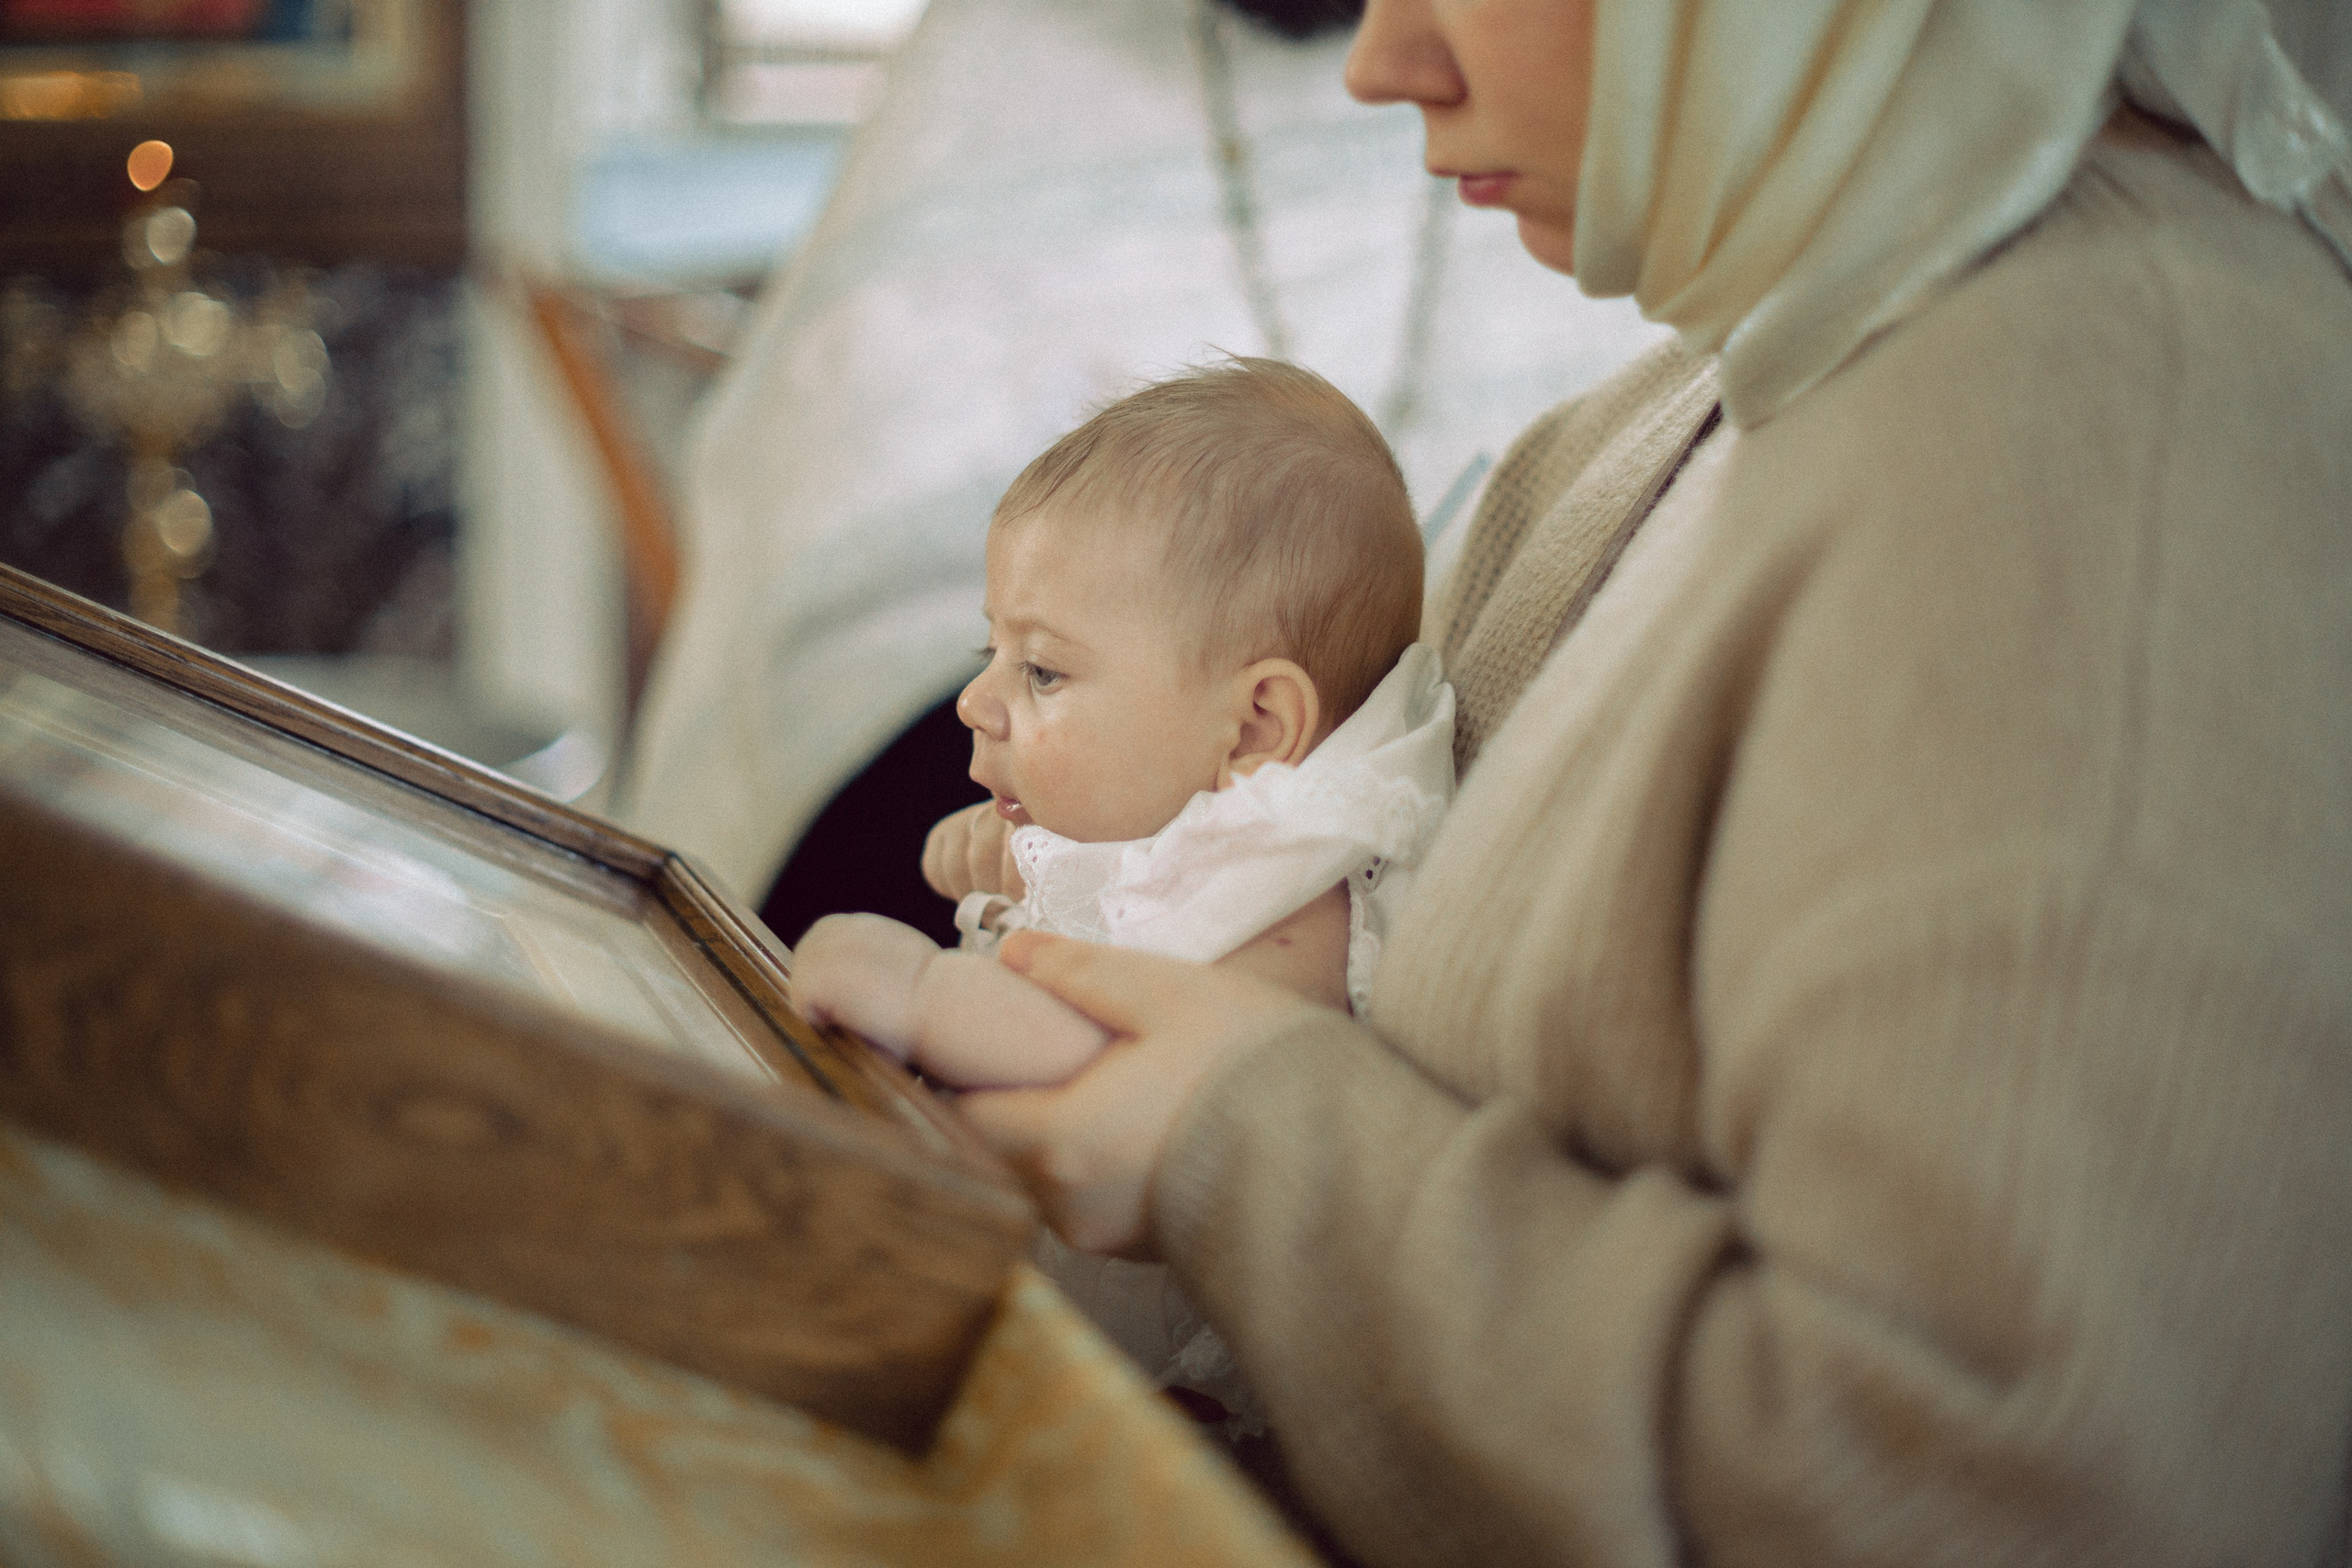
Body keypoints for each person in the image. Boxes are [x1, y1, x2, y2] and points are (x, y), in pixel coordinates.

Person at [899, 1, 2352, 1563]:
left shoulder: (2100, 426)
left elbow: (1981, 1494)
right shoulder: (1703, 389)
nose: (1384, 62)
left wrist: (1241, 1139)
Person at [796, 359, 1453, 1418]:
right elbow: (1100, 892)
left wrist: (921, 993)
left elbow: (1130, 1077)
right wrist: (1009, 857)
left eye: (1042, 672)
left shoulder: (1289, 896)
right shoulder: (1165, 825)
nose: (974, 699)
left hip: (1165, 1408)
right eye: (990, 649)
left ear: (1250, 731)